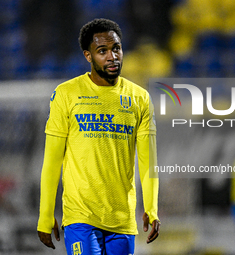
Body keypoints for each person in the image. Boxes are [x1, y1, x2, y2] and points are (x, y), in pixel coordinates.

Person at [37, 18, 160, 255]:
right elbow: (52, 161)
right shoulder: (66, 94)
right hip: (80, 216)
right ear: (88, 56)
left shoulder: (140, 98)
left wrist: (152, 208)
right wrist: (45, 214)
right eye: (102, 51)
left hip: (122, 219)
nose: (112, 56)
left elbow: (148, 162)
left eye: (116, 48)